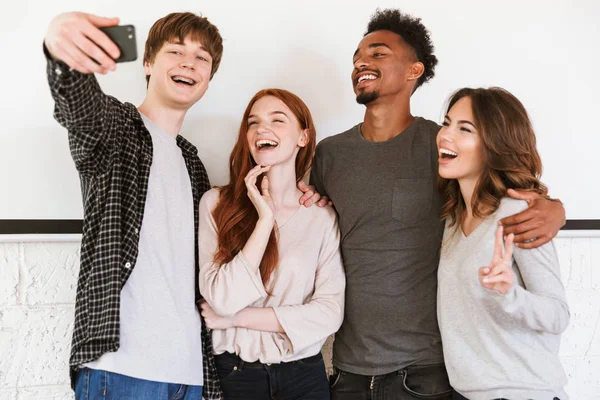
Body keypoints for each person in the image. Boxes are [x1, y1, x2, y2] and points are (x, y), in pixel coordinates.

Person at [301, 8, 566, 399]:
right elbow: (318, 225)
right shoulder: (330, 154)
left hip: (424, 373)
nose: (361, 62)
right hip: (347, 369)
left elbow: (502, 182)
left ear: (414, 71)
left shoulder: (440, 148)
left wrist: (553, 208)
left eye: (378, 53)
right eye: (357, 56)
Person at [44, 11, 223, 399]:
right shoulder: (116, 127)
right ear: (147, 63)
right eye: (175, 51)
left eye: (201, 58)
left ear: (209, 78)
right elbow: (79, 104)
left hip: (191, 375)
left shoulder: (194, 165)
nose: (189, 63)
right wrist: (61, 48)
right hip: (122, 370)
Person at [197, 88, 345, 400]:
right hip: (236, 376)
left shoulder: (320, 217)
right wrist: (264, 220)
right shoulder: (215, 204)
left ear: (303, 137)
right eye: (253, 123)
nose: (262, 129)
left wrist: (238, 318)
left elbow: (329, 313)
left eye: (277, 120)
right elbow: (221, 298)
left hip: (304, 375)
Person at [436, 87, 570, 400]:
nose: (445, 135)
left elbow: (557, 314)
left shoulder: (518, 214)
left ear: (494, 145)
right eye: (447, 123)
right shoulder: (452, 221)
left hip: (523, 392)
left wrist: (509, 294)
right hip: (467, 393)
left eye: (464, 129)